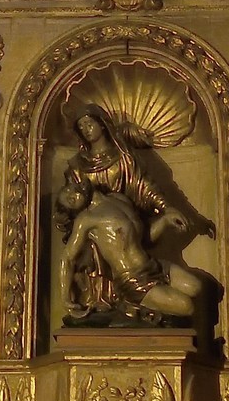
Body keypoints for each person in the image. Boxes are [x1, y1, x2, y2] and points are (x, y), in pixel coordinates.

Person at [55, 106, 203, 326]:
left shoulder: (120, 194)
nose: (86, 130)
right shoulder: (86, 217)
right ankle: (123, 303)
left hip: (151, 265)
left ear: (102, 124)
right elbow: (67, 257)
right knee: (186, 307)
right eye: (81, 127)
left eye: (90, 123)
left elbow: (144, 189)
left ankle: (139, 307)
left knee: (196, 287)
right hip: (130, 277)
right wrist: (66, 297)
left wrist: (165, 213)